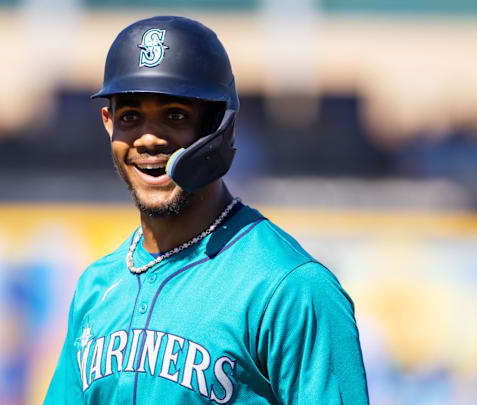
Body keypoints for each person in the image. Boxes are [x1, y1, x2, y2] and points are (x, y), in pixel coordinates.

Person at [44, 16, 368, 405]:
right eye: (131, 116)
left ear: (220, 127)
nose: (148, 138)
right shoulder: (96, 287)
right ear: (108, 122)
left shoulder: (291, 287)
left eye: (175, 115)